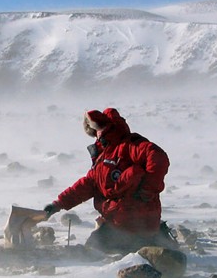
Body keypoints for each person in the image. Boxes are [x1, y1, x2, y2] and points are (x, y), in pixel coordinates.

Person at [43, 108, 177, 254]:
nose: (95, 137)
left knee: (94, 251)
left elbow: (158, 157)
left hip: (131, 225)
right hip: (120, 224)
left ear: (100, 129)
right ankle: (154, 242)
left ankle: (150, 244)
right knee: (95, 247)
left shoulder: (129, 146)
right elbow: (87, 185)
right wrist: (58, 204)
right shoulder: (104, 156)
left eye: (95, 132)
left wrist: (148, 189)